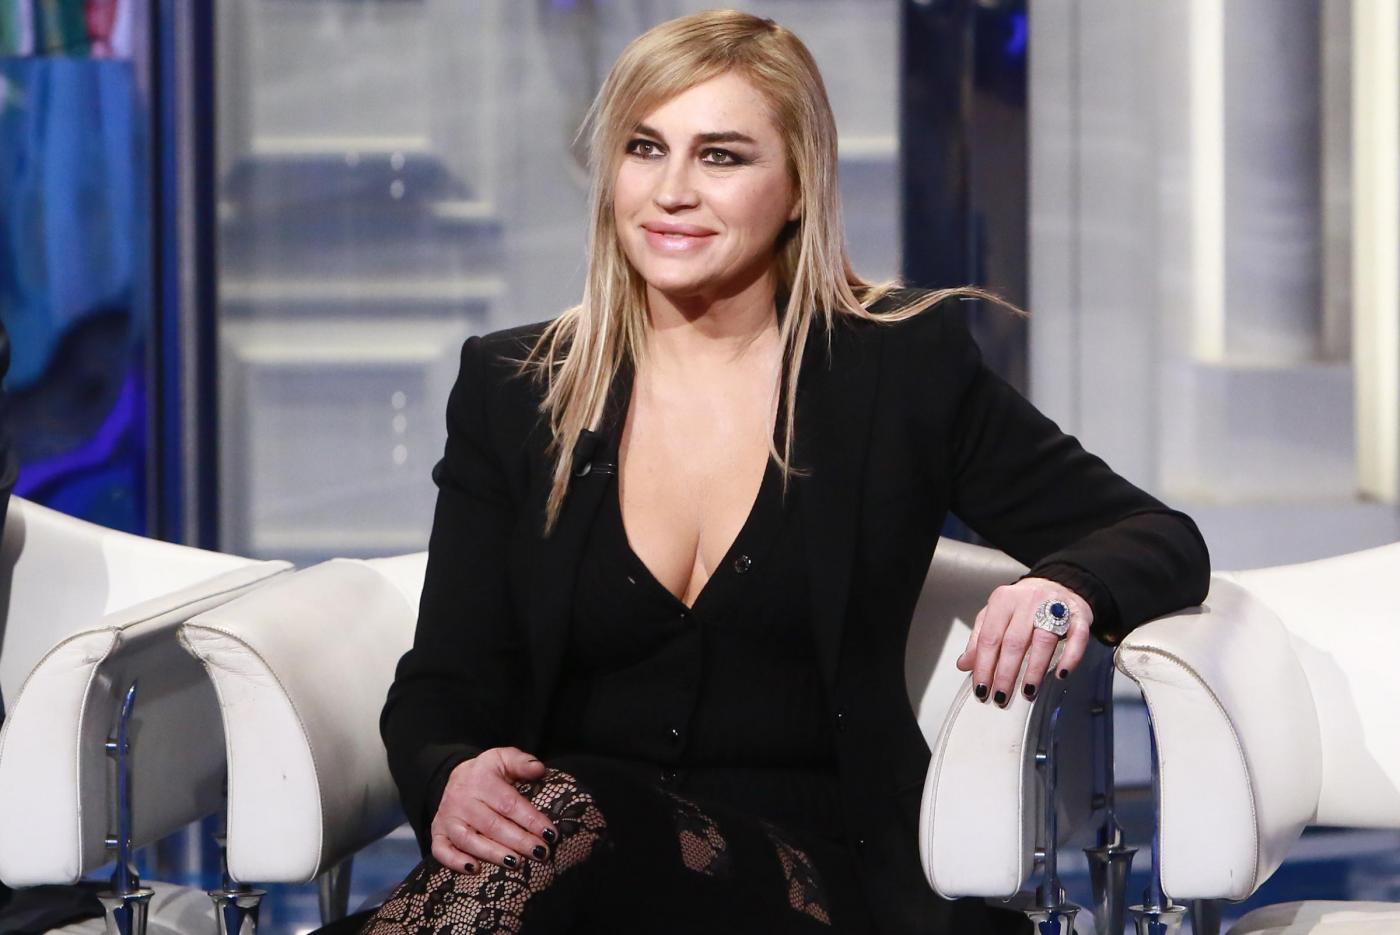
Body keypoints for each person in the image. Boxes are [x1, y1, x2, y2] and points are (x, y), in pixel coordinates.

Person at [333, 11, 1210, 935]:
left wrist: (1062, 589)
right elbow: (441, 684)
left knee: (581, 802)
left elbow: (1156, 535)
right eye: (644, 148)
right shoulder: (517, 389)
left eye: (721, 156)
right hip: (576, 879)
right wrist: (451, 772)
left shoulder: (894, 373)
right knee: (566, 817)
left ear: (797, 187)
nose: (671, 190)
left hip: (816, 887)